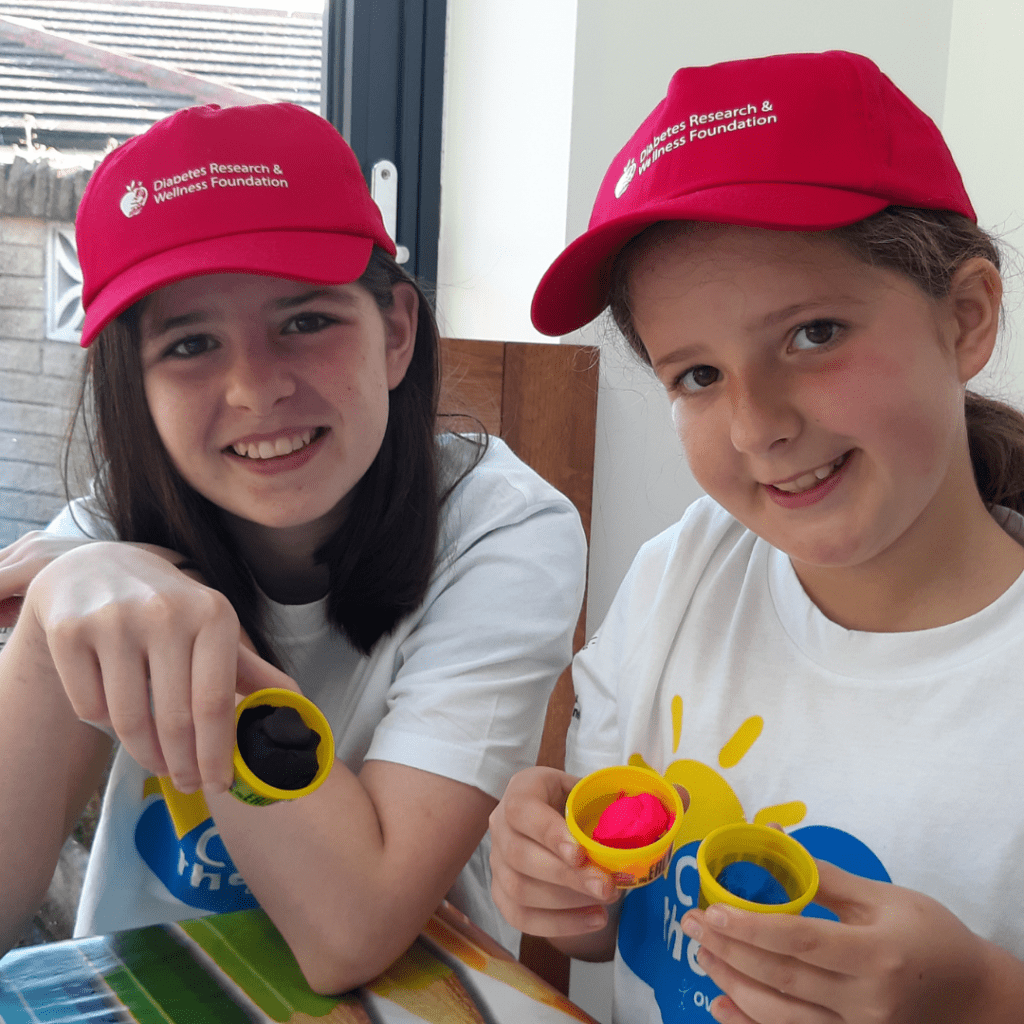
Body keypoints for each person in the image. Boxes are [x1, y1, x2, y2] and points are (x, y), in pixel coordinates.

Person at [0, 101, 587, 991]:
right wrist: (54, 615)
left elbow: (348, 932)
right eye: (191, 343)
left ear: (394, 332)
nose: (252, 389)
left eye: (305, 321)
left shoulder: (502, 531)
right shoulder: (102, 543)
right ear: (137, 386)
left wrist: (190, 626)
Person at [488, 50, 1024, 1024]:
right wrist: (558, 880)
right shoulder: (678, 578)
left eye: (812, 334)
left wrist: (987, 998)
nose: (755, 427)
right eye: (695, 375)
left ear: (967, 319)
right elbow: (607, 929)